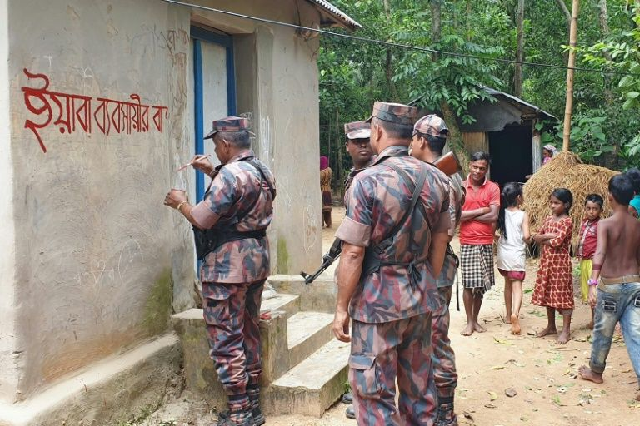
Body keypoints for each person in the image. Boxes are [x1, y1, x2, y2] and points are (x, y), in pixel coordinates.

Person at [332, 102, 451, 425]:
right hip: (420, 297)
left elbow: (353, 253)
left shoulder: (366, 182)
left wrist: (342, 307)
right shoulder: (438, 181)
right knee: (419, 392)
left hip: (376, 304)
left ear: (378, 131)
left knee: (374, 397)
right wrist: (426, 281)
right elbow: (441, 240)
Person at [164, 116, 276, 426]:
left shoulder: (229, 176)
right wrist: (211, 172)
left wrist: (180, 203)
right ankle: (252, 407)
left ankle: (239, 414)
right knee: (249, 331)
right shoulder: (261, 170)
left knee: (226, 339)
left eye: (216, 146)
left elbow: (202, 218)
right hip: (256, 262)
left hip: (227, 268)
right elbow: (243, 194)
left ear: (226, 144)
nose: (216, 151)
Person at [411, 114, 465, 426]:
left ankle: (445, 412)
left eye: (413, 138)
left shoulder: (437, 177)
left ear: (420, 140)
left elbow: (442, 233)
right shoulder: (449, 176)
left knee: (435, 338)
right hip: (439, 265)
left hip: (434, 266)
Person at [578, 174, 640, 402]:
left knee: (603, 332)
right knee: (636, 334)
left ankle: (595, 372)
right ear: (632, 195)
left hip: (611, 286)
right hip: (635, 284)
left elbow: (600, 252)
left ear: (610, 196)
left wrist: (593, 283)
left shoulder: (604, 224)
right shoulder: (637, 224)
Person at [340, 120, 373, 421]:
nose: (362, 145)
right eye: (356, 141)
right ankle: (358, 387)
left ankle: (365, 395)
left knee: (367, 334)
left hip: (371, 266)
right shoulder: (354, 177)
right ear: (347, 145)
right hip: (361, 263)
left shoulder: (374, 176)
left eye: (367, 140)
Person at [459, 151, 500, 336]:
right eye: (475, 167)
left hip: (485, 242)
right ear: (469, 165)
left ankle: (475, 320)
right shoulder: (460, 187)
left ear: (486, 169)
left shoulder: (493, 188)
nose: (478, 171)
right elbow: (456, 215)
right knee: (468, 284)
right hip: (467, 242)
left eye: (482, 168)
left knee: (481, 286)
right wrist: (482, 210)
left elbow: (494, 216)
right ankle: (469, 322)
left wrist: (470, 214)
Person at [531, 188, 574, 344]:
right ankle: (551, 326)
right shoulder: (548, 219)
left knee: (563, 295)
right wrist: (548, 236)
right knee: (548, 292)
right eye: (551, 202)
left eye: (557, 203)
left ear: (566, 204)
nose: (553, 206)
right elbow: (535, 237)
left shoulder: (567, 221)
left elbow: (557, 242)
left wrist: (544, 238)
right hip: (547, 262)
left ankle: (566, 330)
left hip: (560, 265)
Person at [496, 182, 530, 335]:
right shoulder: (523, 215)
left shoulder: (501, 213)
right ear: (518, 198)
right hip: (517, 256)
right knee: (517, 287)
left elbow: (494, 233)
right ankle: (515, 313)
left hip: (504, 256)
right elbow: (527, 236)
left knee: (507, 285)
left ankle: (508, 316)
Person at [577, 194, 603, 328]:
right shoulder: (584, 222)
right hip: (585, 261)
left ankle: (598, 322)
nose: (591, 212)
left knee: (596, 293)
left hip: (594, 263)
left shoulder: (601, 225)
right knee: (589, 293)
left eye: (595, 209)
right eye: (588, 208)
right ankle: (594, 321)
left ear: (600, 210)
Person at [320, 156, 333, 228]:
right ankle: (329, 223)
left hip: (322, 190)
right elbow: (330, 180)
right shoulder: (329, 170)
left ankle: (321, 224)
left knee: (321, 208)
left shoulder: (321, 172)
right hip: (328, 189)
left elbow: (319, 181)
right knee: (328, 209)